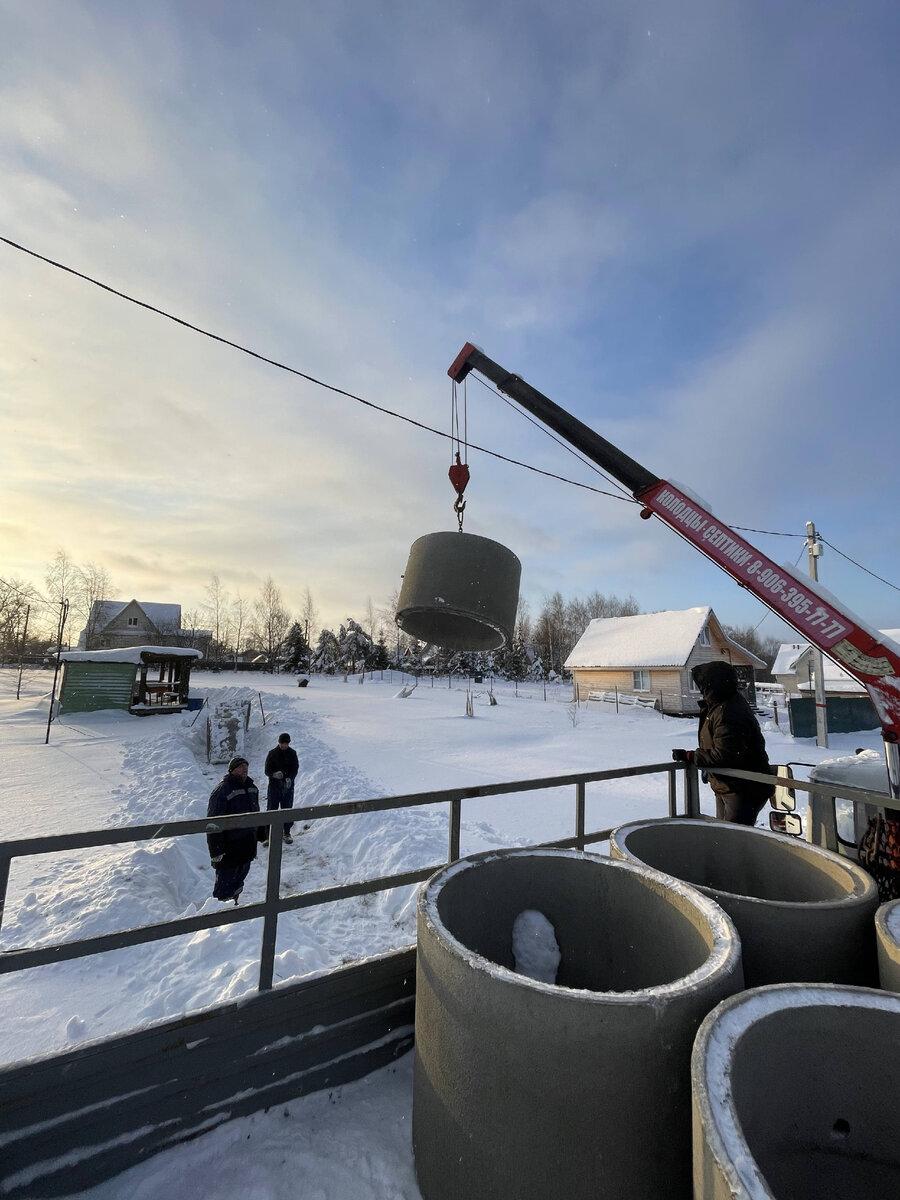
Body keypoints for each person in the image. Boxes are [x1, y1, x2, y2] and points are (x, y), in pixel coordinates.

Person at [672, 660, 775, 825]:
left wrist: (691, 756)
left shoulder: (728, 712)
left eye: (703, 685)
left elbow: (725, 755)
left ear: (713, 685)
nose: (701, 690)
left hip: (742, 788)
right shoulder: (721, 705)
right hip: (729, 785)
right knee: (724, 836)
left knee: (733, 841)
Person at [206, 755, 266, 903]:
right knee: (225, 884)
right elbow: (213, 822)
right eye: (240, 766)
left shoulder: (252, 788)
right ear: (232, 770)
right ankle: (220, 915)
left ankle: (235, 904)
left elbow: (255, 813)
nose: (244, 769)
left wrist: (260, 831)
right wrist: (216, 849)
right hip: (229, 848)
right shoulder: (222, 790)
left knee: (240, 879)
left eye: (246, 766)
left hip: (247, 845)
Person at [264, 732, 300, 845]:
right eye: (282, 743)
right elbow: (267, 770)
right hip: (274, 786)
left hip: (287, 787)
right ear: (278, 742)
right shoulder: (272, 753)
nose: (284, 745)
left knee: (287, 809)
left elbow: (295, 768)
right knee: (271, 809)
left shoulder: (292, 753)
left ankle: (287, 832)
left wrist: (290, 778)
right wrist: (274, 774)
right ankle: (268, 834)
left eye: (286, 743)